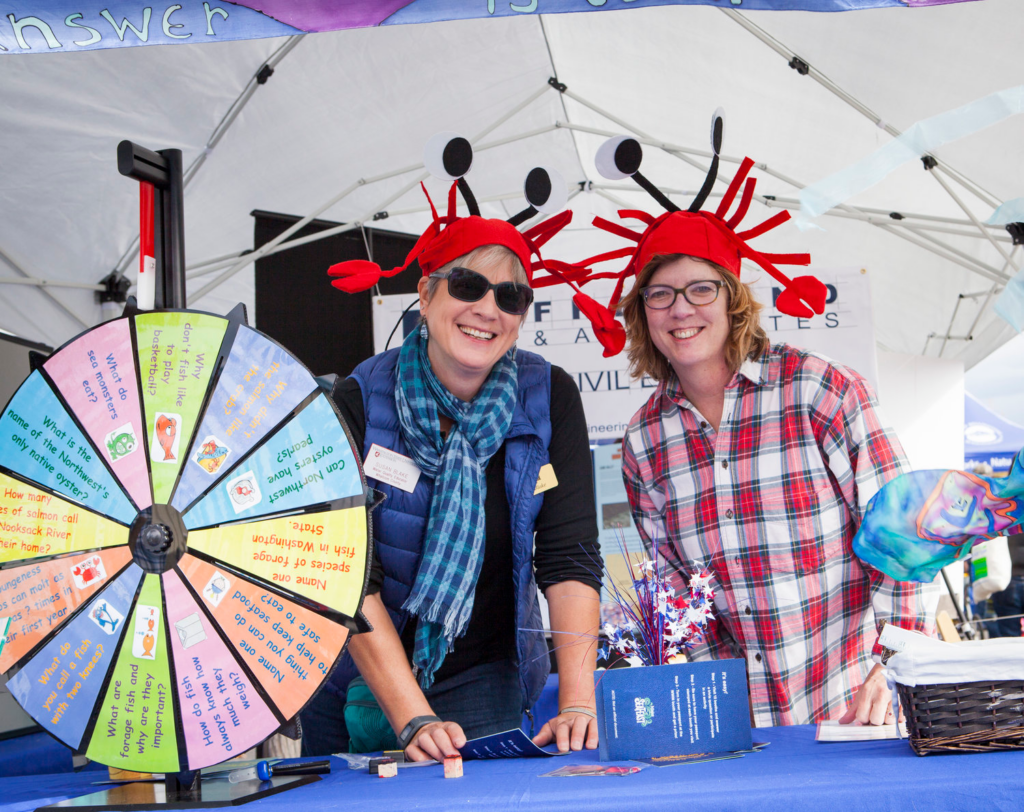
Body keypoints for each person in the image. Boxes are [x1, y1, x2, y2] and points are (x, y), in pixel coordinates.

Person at [574, 133, 938, 727]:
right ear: (642, 312)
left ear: (733, 298)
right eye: (659, 295)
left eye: (700, 289)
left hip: (855, 709)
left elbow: (903, 536)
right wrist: (697, 685)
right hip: (737, 725)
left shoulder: (819, 391)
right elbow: (676, 586)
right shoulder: (643, 442)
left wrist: (894, 662)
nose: (680, 310)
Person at [302, 157, 608, 760]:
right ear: (425, 292)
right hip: (349, 673)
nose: (487, 308)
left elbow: (568, 554)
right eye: (467, 285)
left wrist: (577, 701)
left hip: (479, 673)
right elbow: (346, 572)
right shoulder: (358, 399)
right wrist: (412, 715)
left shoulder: (550, 397)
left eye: (510, 296)